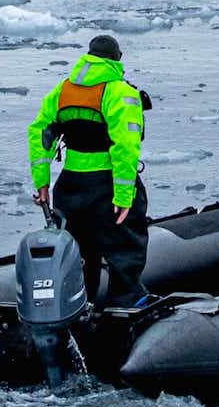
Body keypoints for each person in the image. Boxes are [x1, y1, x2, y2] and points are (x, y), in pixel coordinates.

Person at [28, 33, 151, 309]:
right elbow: (126, 147)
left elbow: (40, 134)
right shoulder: (121, 92)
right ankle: (127, 302)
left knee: (80, 251)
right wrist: (123, 196)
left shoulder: (63, 90)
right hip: (106, 186)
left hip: (70, 186)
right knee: (124, 246)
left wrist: (42, 184)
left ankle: (80, 305)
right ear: (117, 59)